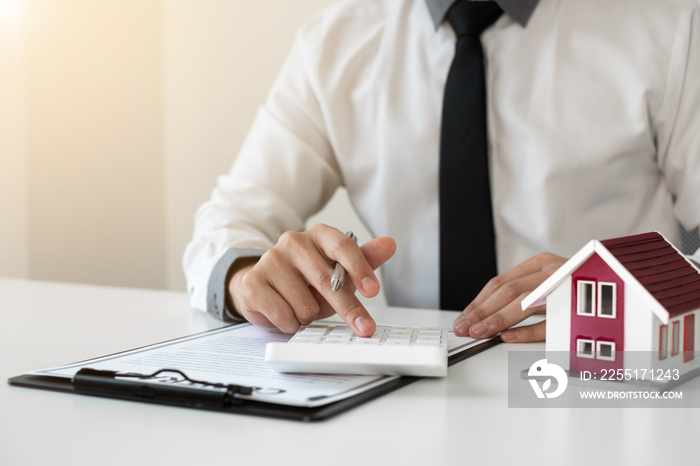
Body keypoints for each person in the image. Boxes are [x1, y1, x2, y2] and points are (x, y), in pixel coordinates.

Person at [183, 0, 700, 342]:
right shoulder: (335, 43)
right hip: (410, 399)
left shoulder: (671, 27)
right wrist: (245, 278)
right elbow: (230, 216)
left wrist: (632, 291)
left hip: (606, 381)